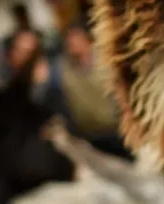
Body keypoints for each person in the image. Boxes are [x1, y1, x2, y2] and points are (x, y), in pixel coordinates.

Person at [39, 24, 131, 158]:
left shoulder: (106, 61)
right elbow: (42, 96)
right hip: (88, 138)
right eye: (68, 39)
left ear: (87, 39)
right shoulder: (60, 68)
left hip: (117, 133)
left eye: (76, 37)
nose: (72, 42)